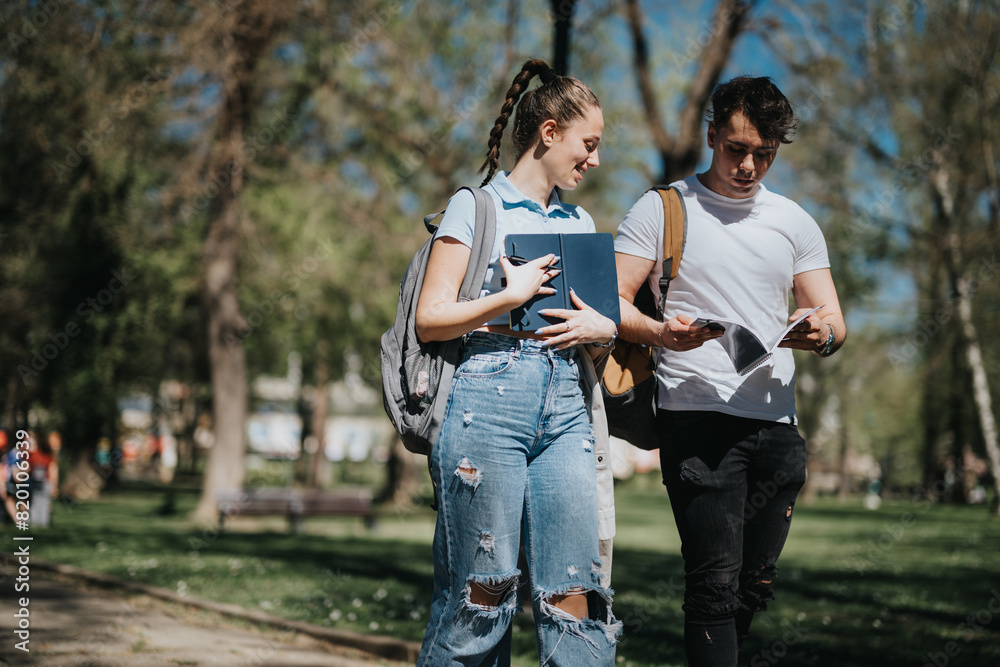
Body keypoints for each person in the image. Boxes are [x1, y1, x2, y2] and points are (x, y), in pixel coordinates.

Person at [613, 76, 846, 666]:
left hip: (775, 427)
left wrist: (821, 335)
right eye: (736, 148)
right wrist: (661, 333)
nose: (748, 165)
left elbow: (834, 319)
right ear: (712, 135)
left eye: (763, 154)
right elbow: (609, 301)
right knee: (713, 586)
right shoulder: (662, 207)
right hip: (696, 419)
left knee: (751, 588)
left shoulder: (794, 221)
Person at [414, 58, 621, 666]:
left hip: (566, 410)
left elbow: (595, 335)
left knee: (576, 593)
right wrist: (508, 296)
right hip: (485, 402)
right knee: (485, 593)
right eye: (590, 144)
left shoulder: (580, 222)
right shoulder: (476, 207)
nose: (596, 160)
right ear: (549, 133)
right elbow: (431, 317)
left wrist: (602, 329)